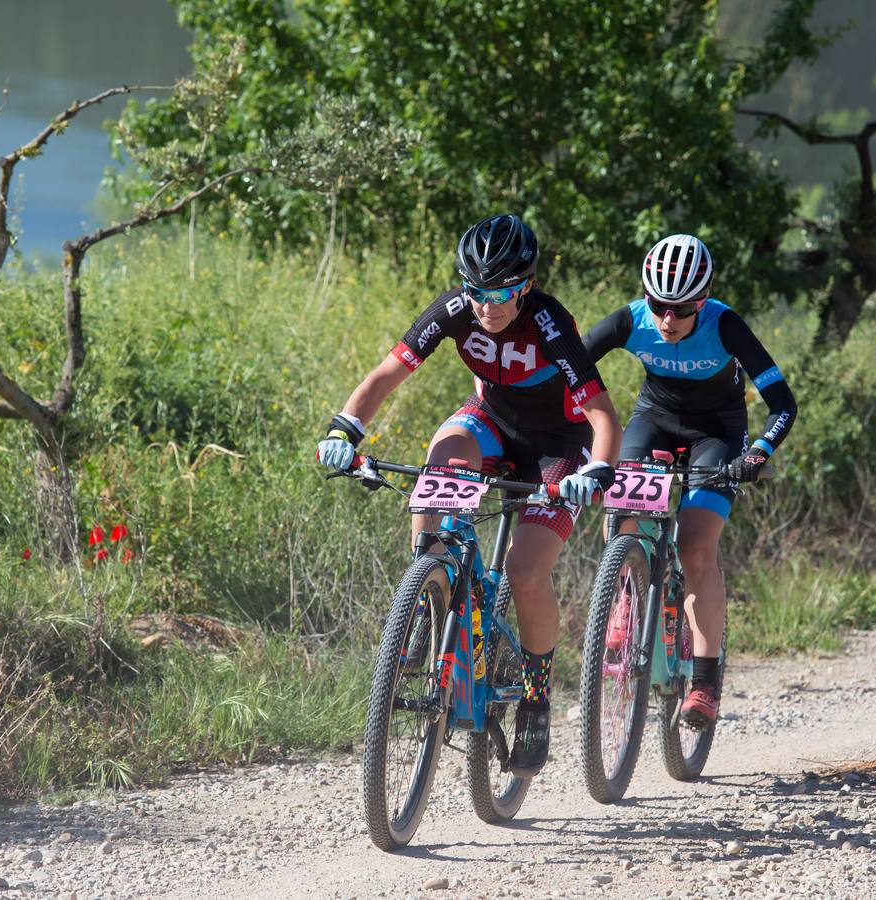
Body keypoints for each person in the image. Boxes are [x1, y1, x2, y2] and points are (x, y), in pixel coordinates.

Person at [316, 214, 622, 777]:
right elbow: (386, 374)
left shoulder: (550, 323)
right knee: (445, 453)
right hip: (490, 421)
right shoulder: (456, 309)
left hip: (559, 446)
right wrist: (344, 431)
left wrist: (598, 470)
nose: (487, 305)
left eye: (501, 292)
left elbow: (602, 413)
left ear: (525, 284)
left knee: (525, 571)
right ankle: (428, 588)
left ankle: (534, 698)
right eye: (477, 290)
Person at [584, 233, 797, 729]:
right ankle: (622, 596)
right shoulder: (630, 319)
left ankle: (703, 681)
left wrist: (759, 451)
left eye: (680, 309)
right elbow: (567, 366)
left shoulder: (726, 325)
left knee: (696, 546)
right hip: (653, 417)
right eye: (658, 305)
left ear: (701, 302)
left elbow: (783, 404)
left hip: (717, 433)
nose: (667, 320)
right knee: (622, 517)